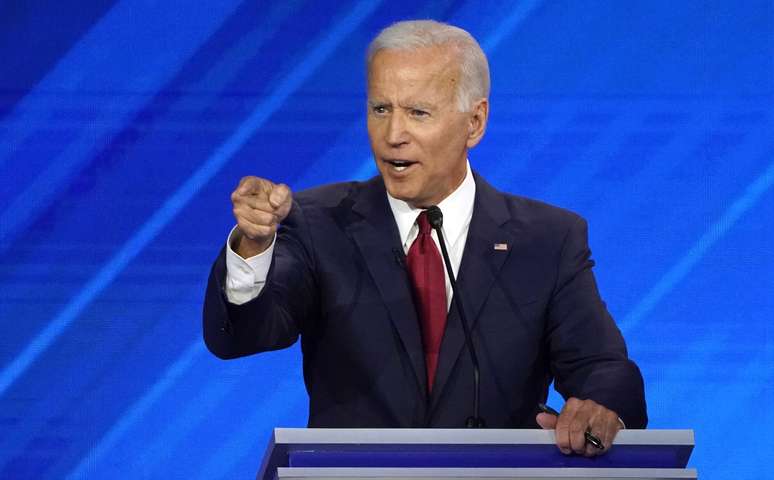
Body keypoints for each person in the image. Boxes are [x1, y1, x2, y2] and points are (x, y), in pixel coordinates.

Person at [203, 19, 646, 457]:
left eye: (418, 112)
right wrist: (254, 247)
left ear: (474, 122)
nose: (393, 136)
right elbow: (242, 336)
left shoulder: (548, 239)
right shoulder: (320, 222)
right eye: (381, 109)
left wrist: (601, 407)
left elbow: (601, 366)